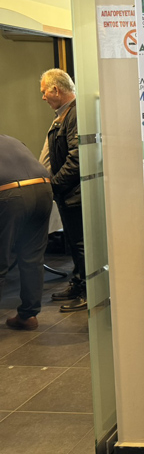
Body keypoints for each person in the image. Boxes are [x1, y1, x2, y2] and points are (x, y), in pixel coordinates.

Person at [39, 69, 86, 312]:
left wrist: (54, 185)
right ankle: (78, 283)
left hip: (75, 194)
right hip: (69, 194)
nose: (43, 97)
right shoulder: (65, 114)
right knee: (74, 244)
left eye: (44, 92)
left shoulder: (74, 113)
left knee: (81, 245)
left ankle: (88, 291)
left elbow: (77, 160)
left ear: (56, 90)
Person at [0, 135, 53, 330]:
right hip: (43, 188)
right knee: (32, 258)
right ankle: (28, 316)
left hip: (11, 193)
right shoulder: (9, 139)